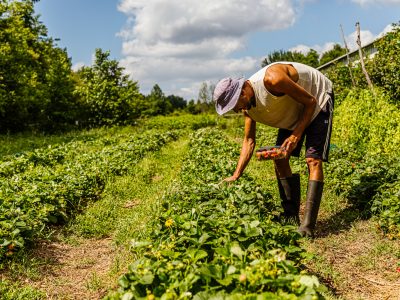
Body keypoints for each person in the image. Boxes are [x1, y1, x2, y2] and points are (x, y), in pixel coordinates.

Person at [213, 61, 334, 238]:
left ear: (242, 90)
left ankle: (308, 225)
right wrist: (236, 174)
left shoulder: (272, 80)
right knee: (280, 157)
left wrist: (295, 136)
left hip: (317, 99)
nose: (237, 109)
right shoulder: (248, 108)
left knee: (312, 160)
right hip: (293, 109)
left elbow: (310, 102)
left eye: (234, 104)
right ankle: (290, 214)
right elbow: (249, 141)